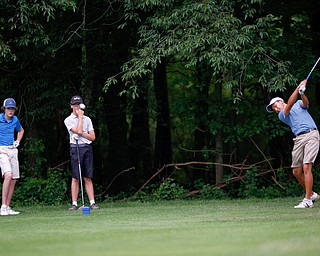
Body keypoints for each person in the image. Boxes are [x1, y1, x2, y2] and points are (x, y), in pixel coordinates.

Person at [266, 80, 320, 208]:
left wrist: (302, 93)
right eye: (273, 108)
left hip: (312, 134)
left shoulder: (298, 104)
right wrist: (298, 87)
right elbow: (289, 104)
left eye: (275, 104)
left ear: (281, 101)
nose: (275, 108)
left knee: (307, 166)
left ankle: (307, 200)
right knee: (296, 171)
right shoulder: (282, 115)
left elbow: (306, 103)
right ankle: (311, 194)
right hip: (298, 139)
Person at [64, 95, 99, 210]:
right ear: (71, 106)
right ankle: (74, 203)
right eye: (75, 105)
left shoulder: (87, 119)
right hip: (75, 147)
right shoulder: (68, 120)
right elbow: (77, 131)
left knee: (87, 176)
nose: (77, 106)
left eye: (79, 104)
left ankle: (92, 202)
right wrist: (80, 118)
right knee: (75, 177)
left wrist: (82, 133)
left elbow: (93, 137)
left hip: (87, 147)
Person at [0, 98, 24, 216]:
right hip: (1, 150)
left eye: (12, 109)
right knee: (8, 175)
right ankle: (3, 206)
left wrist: (17, 141)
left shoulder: (15, 120)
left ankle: (8, 207)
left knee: (14, 179)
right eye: (8, 108)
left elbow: (21, 130)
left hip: (13, 149)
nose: (11, 111)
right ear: (4, 109)